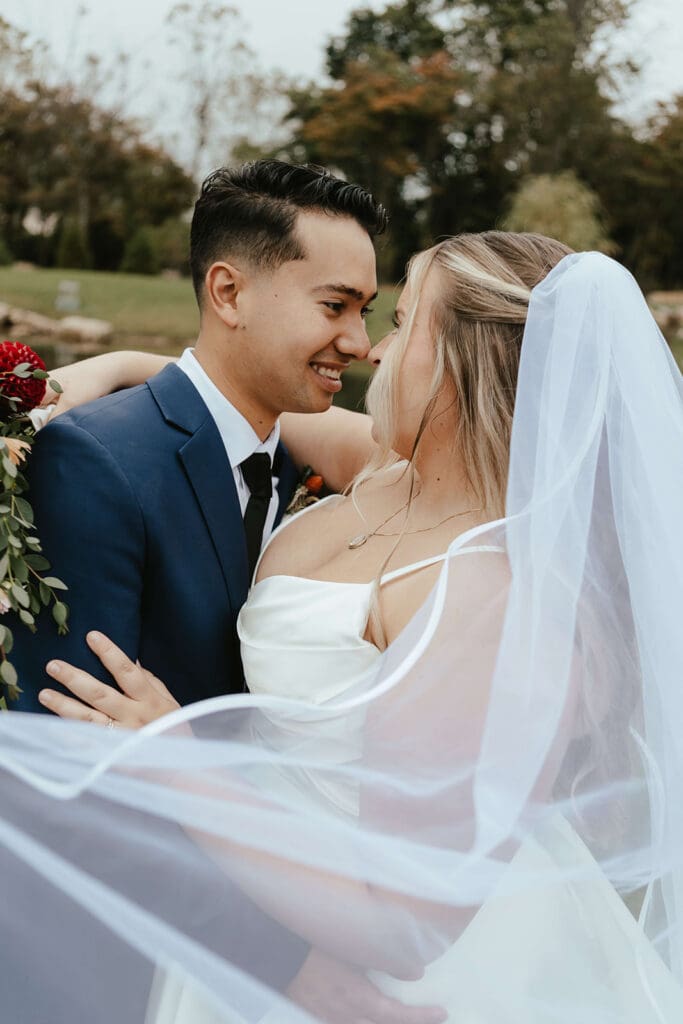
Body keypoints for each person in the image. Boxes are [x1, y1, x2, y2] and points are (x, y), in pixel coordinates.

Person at [7, 232, 683, 1022]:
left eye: (401, 322)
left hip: (389, 976)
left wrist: (183, 768)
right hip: (257, 898)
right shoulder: (383, 467)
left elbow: (405, 925)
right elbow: (224, 403)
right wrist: (119, 367)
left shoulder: (492, 596)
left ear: (465, 363)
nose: (373, 349)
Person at [8, 162, 450, 1024]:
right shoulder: (97, 463)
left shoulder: (307, 460)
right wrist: (289, 969)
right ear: (228, 292)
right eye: (335, 306)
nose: (358, 343)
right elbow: (70, 781)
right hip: (109, 968)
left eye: (367, 311)